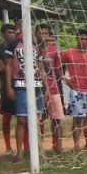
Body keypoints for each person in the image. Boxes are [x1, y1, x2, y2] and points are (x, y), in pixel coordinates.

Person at [7, 25, 48, 162]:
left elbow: (41, 68)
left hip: (36, 85)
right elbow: (8, 66)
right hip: (20, 85)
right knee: (21, 120)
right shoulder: (13, 45)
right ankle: (19, 152)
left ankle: (38, 149)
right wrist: (9, 86)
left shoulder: (36, 46)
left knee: (36, 120)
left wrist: (46, 87)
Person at [37, 24, 67, 154]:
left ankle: (57, 146)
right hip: (38, 89)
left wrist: (67, 81)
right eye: (41, 33)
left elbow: (58, 70)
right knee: (39, 119)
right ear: (35, 34)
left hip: (53, 88)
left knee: (57, 119)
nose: (43, 36)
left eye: (46, 33)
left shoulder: (54, 50)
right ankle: (38, 146)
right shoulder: (34, 50)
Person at [0, 24, 18, 156]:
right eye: (9, 32)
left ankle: (26, 146)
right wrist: (11, 67)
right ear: (3, 34)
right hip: (6, 86)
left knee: (23, 117)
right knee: (7, 117)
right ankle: (8, 146)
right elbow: (0, 67)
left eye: (13, 32)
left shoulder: (19, 47)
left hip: (20, 85)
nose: (11, 34)